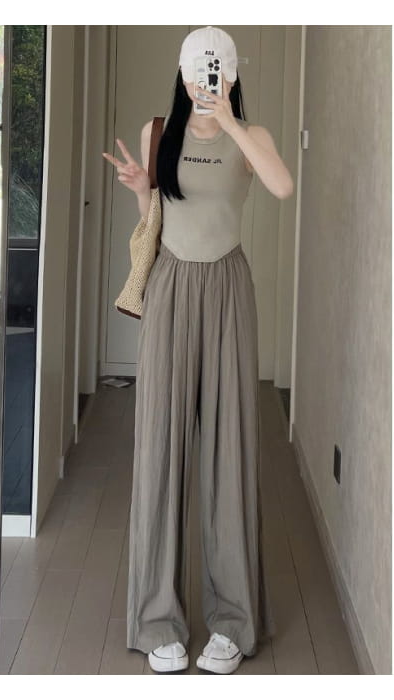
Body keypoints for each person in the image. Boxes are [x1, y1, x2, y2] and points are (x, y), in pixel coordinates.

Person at [103, 26, 293, 674]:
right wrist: (140, 184)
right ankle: (158, 619)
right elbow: (155, 215)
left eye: (213, 73)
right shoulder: (159, 132)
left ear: (230, 74)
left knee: (229, 449)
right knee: (160, 447)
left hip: (229, 288)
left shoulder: (252, 137)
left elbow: (281, 186)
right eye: (192, 73)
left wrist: (230, 120)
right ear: (180, 73)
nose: (200, 84)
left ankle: (232, 621)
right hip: (171, 286)